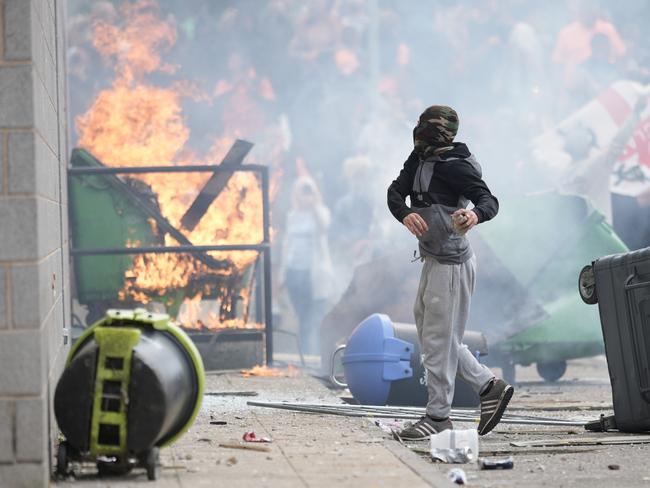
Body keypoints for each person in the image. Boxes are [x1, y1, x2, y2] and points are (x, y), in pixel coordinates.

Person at [386, 105, 513, 440]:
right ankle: (488, 385)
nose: (420, 136)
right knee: (432, 334)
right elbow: (395, 192)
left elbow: (488, 200)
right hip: (432, 258)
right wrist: (404, 213)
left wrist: (474, 217)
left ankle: (438, 416)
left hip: (452, 264)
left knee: (439, 340)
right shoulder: (418, 158)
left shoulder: (456, 167)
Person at [281, 177, 334, 355]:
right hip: (294, 271)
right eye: (302, 192)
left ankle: (316, 354)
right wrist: (282, 273)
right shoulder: (292, 216)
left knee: (314, 316)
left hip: (314, 273)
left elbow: (324, 227)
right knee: (302, 315)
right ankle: (306, 352)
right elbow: (287, 245)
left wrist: (314, 207)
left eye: (308, 192)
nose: (305, 196)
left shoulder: (321, 212)